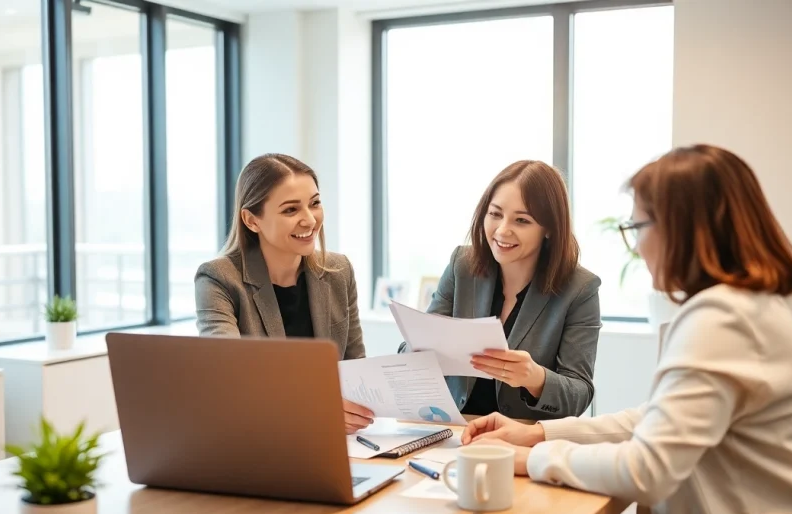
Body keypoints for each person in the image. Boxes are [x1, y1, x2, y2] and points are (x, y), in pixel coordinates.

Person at [461, 145, 792, 514]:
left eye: (638, 226)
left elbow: (646, 471)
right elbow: (657, 419)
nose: (638, 245)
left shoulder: (723, 318)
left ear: (683, 229)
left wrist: (530, 458)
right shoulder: (761, 305)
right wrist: (539, 432)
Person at [403, 160, 601, 421]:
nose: (502, 230)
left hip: (523, 438)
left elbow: (580, 393)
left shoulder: (580, 289)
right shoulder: (462, 266)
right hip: (455, 431)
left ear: (550, 229)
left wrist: (535, 377)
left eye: (522, 220)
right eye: (495, 214)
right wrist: (417, 352)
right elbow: (413, 349)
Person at [195, 153, 374, 434]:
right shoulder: (218, 279)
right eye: (291, 210)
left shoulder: (339, 270)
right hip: (259, 437)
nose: (309, 220)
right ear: (252, 220)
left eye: (314, 204)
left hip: (337, 440)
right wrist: (319, 409)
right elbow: (229, 375)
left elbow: (355, 368)